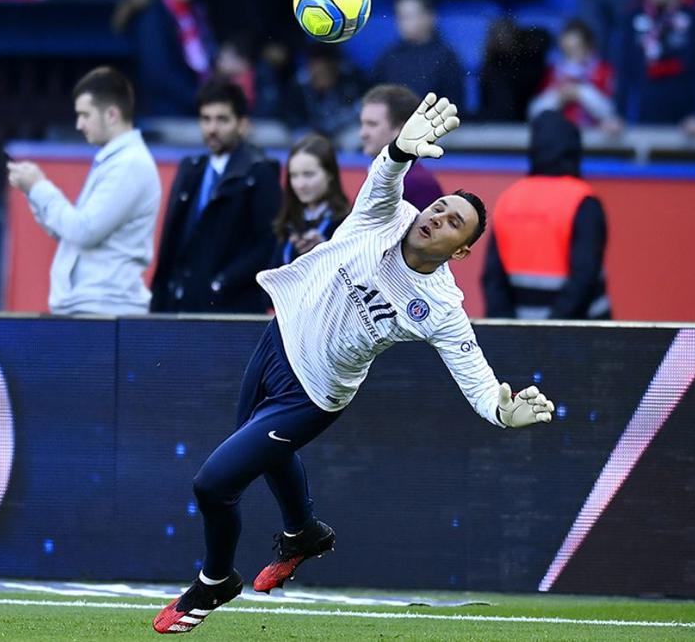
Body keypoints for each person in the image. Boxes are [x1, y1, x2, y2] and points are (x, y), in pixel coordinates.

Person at [151, 93, 555, 634]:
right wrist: (399, 149)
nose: (438, 216)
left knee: (212, 484)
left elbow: (478, 379)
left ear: (461, 251)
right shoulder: (384, 215)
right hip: (276, 340)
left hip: (313, 395)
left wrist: (504, 414)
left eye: (455, 222)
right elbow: (385, 179)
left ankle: (216, 580)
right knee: (259, 452)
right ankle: (303, 533)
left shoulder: (440, 306)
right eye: (441, 206)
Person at [8, 66, 161, 315]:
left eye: (85, 115)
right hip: (92, 306)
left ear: (111, 114)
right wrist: (33, 191)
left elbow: (83, 231)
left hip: (105, 310)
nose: (79, 124)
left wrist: (39, 186)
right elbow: (71, 232)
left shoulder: (130, 164)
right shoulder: (116, 160)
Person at [150, 78, 280, 313]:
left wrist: (221, 284)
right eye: (206, 119)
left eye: (222, 119)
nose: (212, 128)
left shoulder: (259, 172)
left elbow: (268, 245)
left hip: (232, 310)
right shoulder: (191, 169)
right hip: (181, 306)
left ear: (242, 124)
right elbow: (171, 244)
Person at [482, 110, 611, 320]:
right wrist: (549, 331)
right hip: (581, 336)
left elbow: (493, 279)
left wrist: (507, 329)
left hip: (519, 336)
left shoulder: (509, 198)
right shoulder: (584, 200)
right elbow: (584, 277)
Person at [617, 0, 695, 135]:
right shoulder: (632, 14)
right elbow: (624, 68)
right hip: (645, 118)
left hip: (690, 123)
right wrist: (618, 114)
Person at [113, 0, 217, 117]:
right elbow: (159, 73)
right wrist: (199, 98)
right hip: (165, 111)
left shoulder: (194, 12)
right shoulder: (152, 17)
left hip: (191, 104)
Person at [528, 19, 622, 134]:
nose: (570, 56)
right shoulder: (553, 72)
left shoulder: (603, 71)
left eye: (575, 49)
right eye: (566, 51)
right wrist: (558, 97)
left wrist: (580, 93)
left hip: (596, 140)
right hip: (560, 139)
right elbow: (535, 112)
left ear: (589, 47)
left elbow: (610, 112)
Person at [270, 134, 350, 268]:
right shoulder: (287, 222)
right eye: (294, 175)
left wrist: (325, 249)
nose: (300, 184)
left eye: (309, 174)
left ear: (330, 174)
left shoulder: (347, 222)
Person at [370, 0, 465, 107]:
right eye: (400, 17)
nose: (404, 23)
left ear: (429, 17)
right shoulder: (389, 55)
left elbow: (453, 101)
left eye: (410, 16)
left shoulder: (446, 57)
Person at [359, 84, 443, 211]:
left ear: (403, 130)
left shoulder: (419, 184)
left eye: (372, 124)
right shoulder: (378, 176)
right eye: (363, 124)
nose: (362, 134)